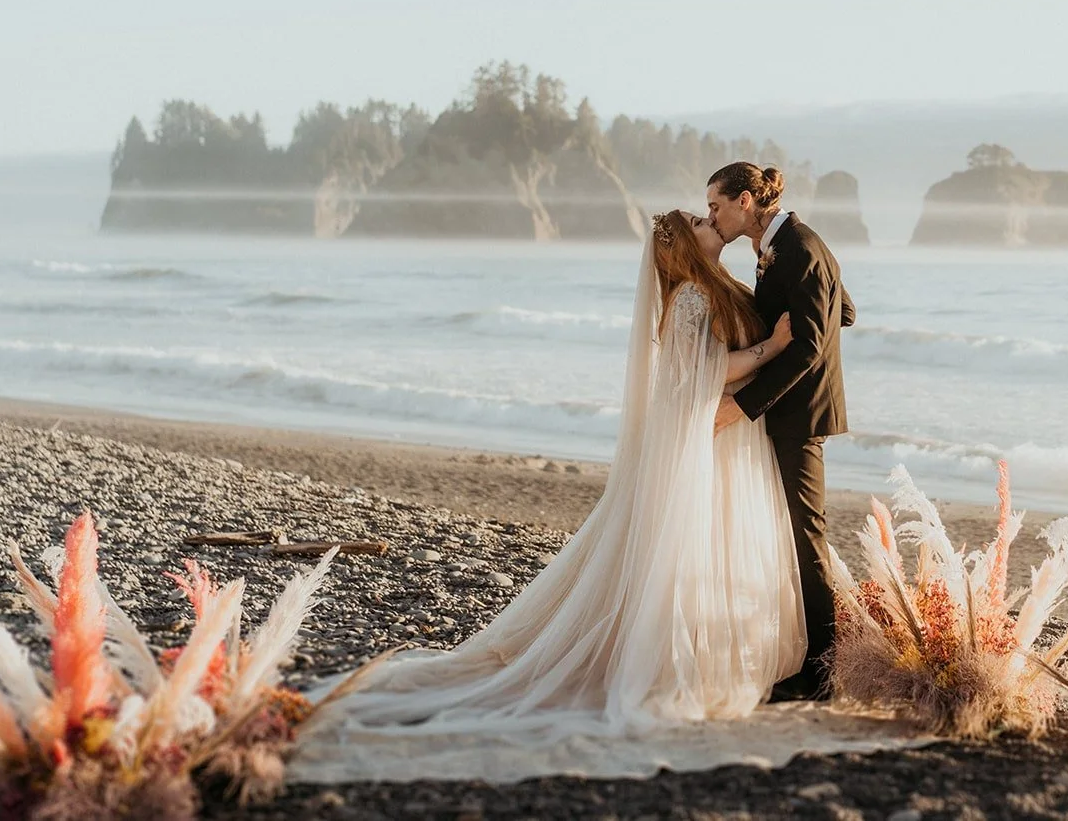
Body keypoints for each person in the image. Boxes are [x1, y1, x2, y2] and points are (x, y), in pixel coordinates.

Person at [291, 209, 807, 783]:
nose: (709, 218)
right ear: (688, 243)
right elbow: (699, 376)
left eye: (709, 211)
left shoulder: (721, 286)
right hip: (706, 434)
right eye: (699, 218)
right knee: (692, 545)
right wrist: (774, 348)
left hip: (726, 436)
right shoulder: (689, 297)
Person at [706, 162, 855, 702]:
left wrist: (744, 406)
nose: (712, 216)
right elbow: (847, 311)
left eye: (717, 206)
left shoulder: (798, 248)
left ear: (746, 200)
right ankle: (800, 655)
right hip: (789, 407)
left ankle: (823, 675)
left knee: (806, 537)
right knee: (789, 532)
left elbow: (812, 344)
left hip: (801, 414)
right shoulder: (782, 245)